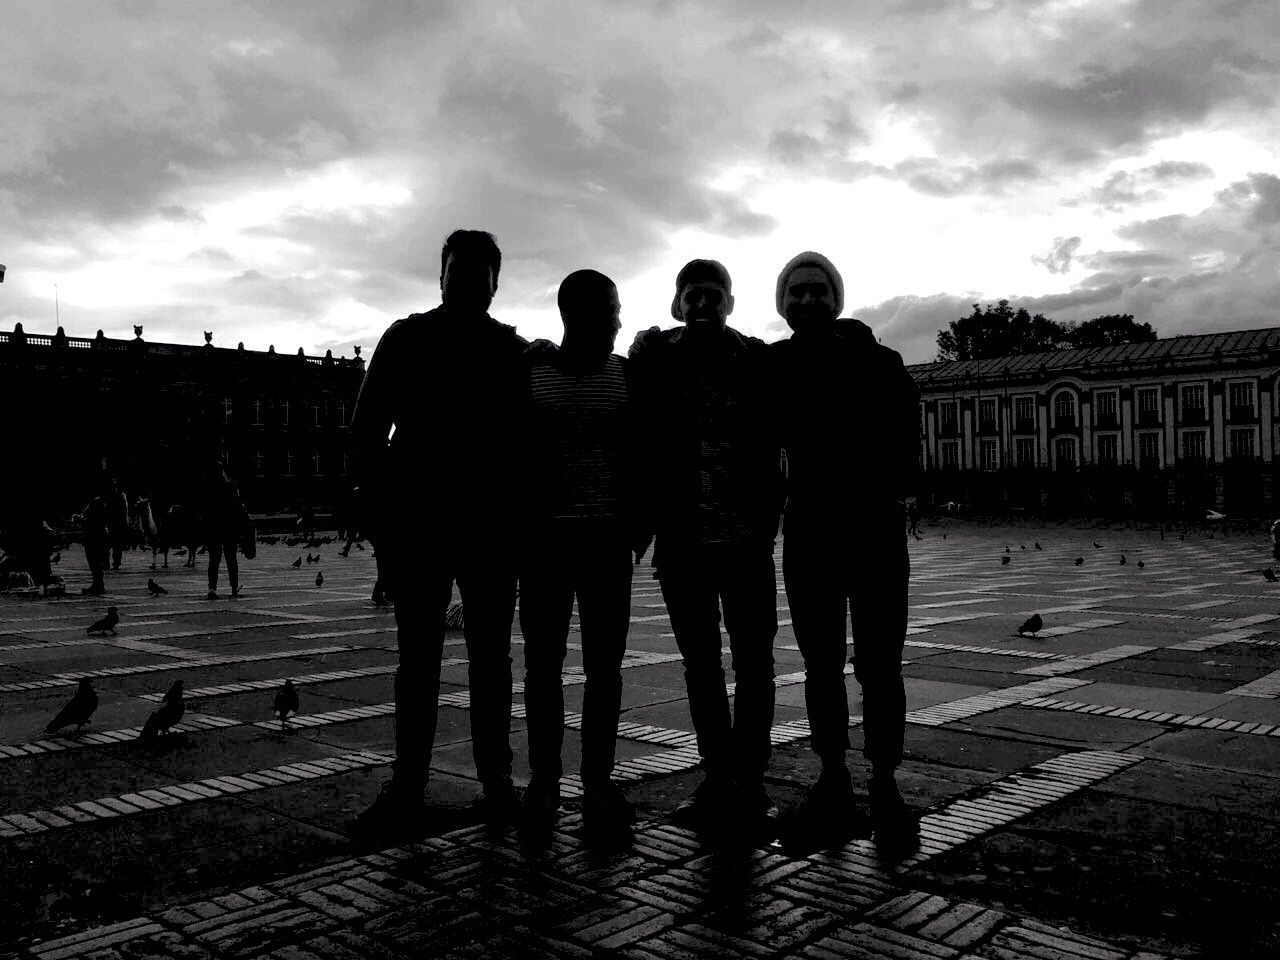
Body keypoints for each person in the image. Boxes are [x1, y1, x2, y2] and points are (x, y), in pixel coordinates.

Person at [349, 229, 529, 839]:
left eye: (482, 273)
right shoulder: (406, 337)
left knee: (488, 660)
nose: (470, 281)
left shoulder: (512, 349)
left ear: (495, 284)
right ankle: (411, 783)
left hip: (488, 526)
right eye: (460, 269)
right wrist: (378, 515)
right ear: (442, 274)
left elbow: (531, 440)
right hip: (420, 523)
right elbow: (368, 426)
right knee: (419, 659)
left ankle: (495, 780)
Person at [768, 251, 921, 855]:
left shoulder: (880, 362)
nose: (806, 300)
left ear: (836, 298)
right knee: (821, 664)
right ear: (783, 304)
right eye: (795, 293)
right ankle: (834, 774)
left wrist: (887, 490)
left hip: (874, 532)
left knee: (881, 665)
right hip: (809, 532)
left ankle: (884, 782)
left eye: (817, 290)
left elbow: (907, 435)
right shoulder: (772, 363)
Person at [627, 259, 783, 837]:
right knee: (701, 667)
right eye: (692, 296)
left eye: (713, 295)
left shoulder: (757, 360)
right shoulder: (655, 360)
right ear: (676, 305)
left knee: (755, 664)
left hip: (747, 544)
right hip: (682, 545)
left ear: (730, 304)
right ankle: (717, 774)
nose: (702, 305)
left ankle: (751, 777)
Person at [519, 269, 650, 835]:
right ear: (576, 314)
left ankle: (597, 782)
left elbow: (646, 451)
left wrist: (640, 522)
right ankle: (544, 783)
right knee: (543, 668)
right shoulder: (531, 373)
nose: (619, 320)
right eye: (610, 310)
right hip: (544, 542)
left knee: (604, 669)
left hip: (606, 542)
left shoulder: (627, 376)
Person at [202, 463, 248, 599]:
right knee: (231, 560)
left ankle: (212, 588)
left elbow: (205, 510)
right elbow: (238, 509)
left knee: (214, 560)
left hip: (214, 530)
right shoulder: (231, 488)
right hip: (229, 530)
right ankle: (234, 587)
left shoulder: (209, 489)